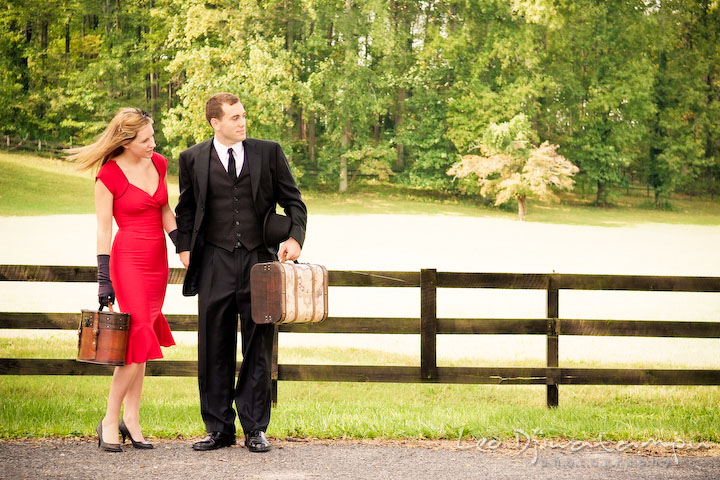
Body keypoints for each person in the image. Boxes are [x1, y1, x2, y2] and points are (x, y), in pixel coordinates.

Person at [175, 93, 307, 453]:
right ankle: (218, 428)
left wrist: (295, 238)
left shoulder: (268, 151)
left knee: (258, 345)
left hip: (259, 262)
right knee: (213, 345)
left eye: (243, 115)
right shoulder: (192, 158)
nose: (242, 122)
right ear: (215, 123)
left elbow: (293, 201)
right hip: (214, 262)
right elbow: (185, 209)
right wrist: (184, 247)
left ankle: (255, 428)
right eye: (234, 117)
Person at [69, 108, 177, 452]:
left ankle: (132, 419)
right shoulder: (108, 176)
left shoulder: (158, 163)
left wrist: (183, 246)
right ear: (126, 141)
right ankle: (109, 420)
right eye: (146, 139)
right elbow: (103, 229)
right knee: (140, 333)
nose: (153, 144)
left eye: (153, 137)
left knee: (142, 342)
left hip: (157, 259)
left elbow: (164, 209)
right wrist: (104, 279)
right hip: (127, 259)